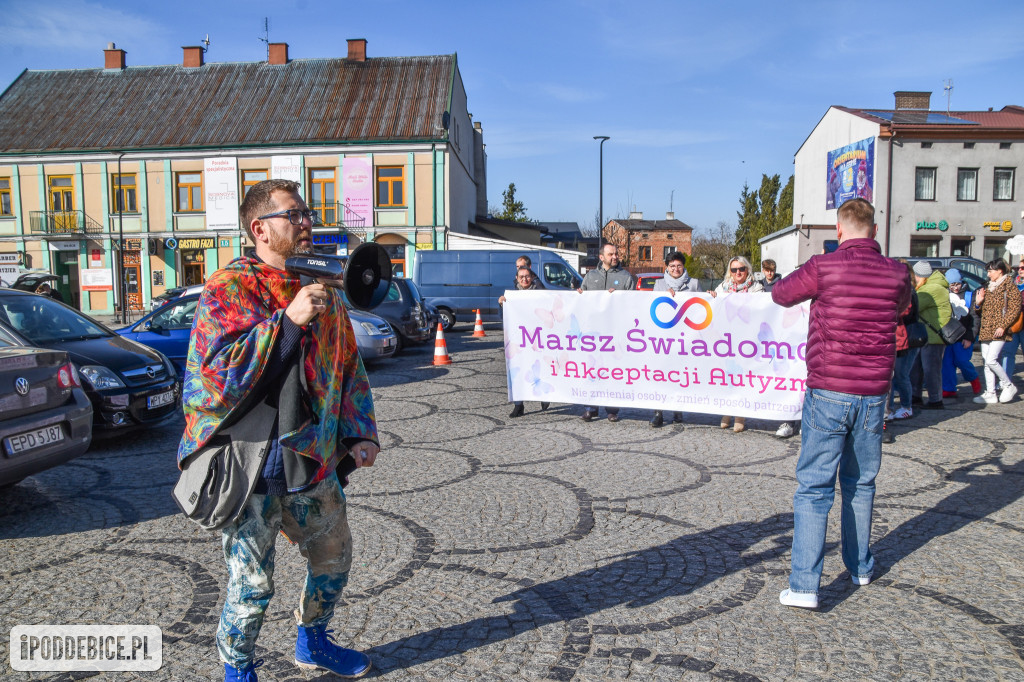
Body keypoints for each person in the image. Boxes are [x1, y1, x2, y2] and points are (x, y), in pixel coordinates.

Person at [178, 179, 379, 681]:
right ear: (259, 228)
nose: (308, 221)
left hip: (310, 458)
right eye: (295, 214)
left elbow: (347, 365)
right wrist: (286, 324)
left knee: (334, 559)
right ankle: (238, 669)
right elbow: (212, 379)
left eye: (308, 212)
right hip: (251, 466)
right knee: (251, 585)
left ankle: (313, 641)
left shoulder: (324, 291)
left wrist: (360, 430)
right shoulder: (229, 288)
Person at [771, 198, 910, 610]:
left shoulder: (824, 266)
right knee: (861, 482)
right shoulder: (897, 272)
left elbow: (781, 294)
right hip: (873, 393)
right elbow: (901, 306)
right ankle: (861, 566)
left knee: (814, 487)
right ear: (875, 229)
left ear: (839, 228)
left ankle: (804, 586)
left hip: (830, 387)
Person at [578, 243, 634, 422]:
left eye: (616, 254)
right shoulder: (590, 276)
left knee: (612, 371)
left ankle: (612, 409)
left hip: (615, 333)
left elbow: (633, 303)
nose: (615, 257)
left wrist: (618, 298)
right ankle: (591, 408)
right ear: (601, 257)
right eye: (611, 254)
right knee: (592, 370)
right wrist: (578, 295)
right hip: (593, 334)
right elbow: (582, 299)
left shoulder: (626, 277)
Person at [709, 255, 763, 432]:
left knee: (743, 376)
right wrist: (713, 296)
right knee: (728, 375)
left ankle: (740, 414)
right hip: (727, 338)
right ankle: (727, 411)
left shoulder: (757, 288)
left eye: (741, 269)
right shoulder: (723, 287)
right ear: (729, 272)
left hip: (747, 339)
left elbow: (761, 310)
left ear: (747, 270)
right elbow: (714, 304)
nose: (738, 272)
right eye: (734, 269)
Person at [649, 251, 698, 427]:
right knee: (661, 374)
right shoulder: (659, 284)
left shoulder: (694, 283)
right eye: (672, 266)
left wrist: (710, 296)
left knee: (679, 374)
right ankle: (658, 412)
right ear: (667, 268)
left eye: (679, 266)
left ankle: (678, 408)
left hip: (685, 338)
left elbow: (701, 307)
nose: (676, 269)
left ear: (683, 266)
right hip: (665, 338)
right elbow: (652, 306)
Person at [501, 267, 549, 418]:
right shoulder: (512, 295)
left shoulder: (540, 293)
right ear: (517, 277)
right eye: (521, 277)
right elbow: (503, 318)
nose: (524, 279)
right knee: (518, 370)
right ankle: (518, 405)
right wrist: (502, 305)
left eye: (527, 276)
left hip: (538, 338)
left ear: (532, 277)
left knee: (541, 367)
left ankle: (545, 397)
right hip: (519, 340)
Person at [972, 258, 1021, 405]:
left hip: (999, 330)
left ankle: (1008, 385)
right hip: (986, 328)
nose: (988, 274)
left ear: (1000, 271)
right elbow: (981, 312)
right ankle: (990, 392)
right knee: (987, 362)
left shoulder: (1009, 287)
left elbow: (1014, 310)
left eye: (990, 270)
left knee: (992, 359)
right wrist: (978, 304)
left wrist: (1003, 326)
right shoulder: (988, 286)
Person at [912, 261, 951, 409]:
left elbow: (914, 306)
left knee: (931, 370)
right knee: (916, 368)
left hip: (933, 337)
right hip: (924, 336)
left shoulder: (932, 289)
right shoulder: (927, 287)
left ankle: (935, 399)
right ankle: (915, 396)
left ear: (920, 276)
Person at [888, 262, 921, 421]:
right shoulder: (901, 290)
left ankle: (907, 406)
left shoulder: (909, 291)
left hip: (908, 338)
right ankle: (892, 408)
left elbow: (905, 312)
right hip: (899, 337)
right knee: (893, 375)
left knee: (901, 374)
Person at [941, 269, 981, 398]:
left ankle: (973, 378)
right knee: (947, 363)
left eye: (957, 284)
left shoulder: (970, 296)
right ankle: (948, 388)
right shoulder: (944, 295)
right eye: (952, 285)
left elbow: (975, 319)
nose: (955, 288)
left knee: (962, 361)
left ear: (961, 282)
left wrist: (970, 337)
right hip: (948, 336)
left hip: (964, 336)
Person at [998, 259, 1024, 380]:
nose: (1019, 270)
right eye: (1018, 268)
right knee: (1007, 353)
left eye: (1022, 268)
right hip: (1012, 322)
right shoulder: (1014, 283)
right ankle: (1005, 381)